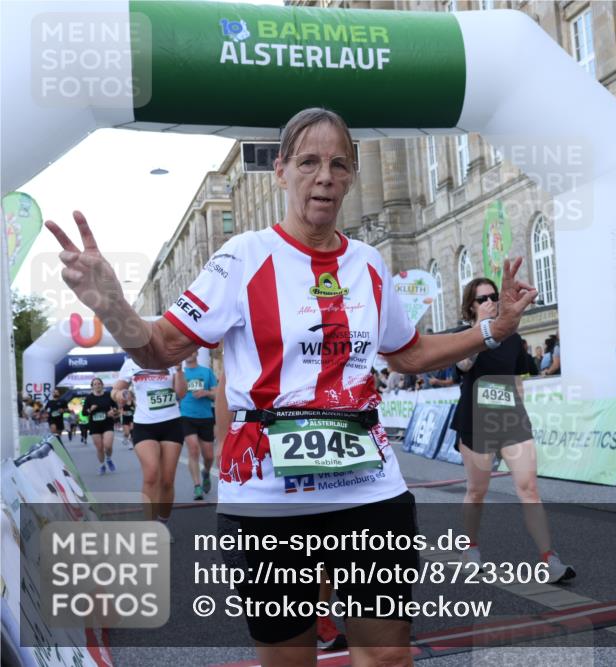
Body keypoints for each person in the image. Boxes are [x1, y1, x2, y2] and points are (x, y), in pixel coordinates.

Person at [46, 106, 539, 667]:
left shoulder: (370, 264)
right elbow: (159, 346)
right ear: (280, 170)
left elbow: (409, 353)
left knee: (386, 658)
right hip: (268, 497)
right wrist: (112, 304)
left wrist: (491, 329)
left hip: (369, 486)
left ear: (351, 175)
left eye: (337, 164)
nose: (323, 176)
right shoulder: (242, 258)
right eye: (308, 162)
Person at [450, 278, 574, 583]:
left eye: (493, 296)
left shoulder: (512, 337)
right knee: (477, 491)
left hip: (510, 419)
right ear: (471, 306)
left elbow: (519, 378)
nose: (490, 302)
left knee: (529, 487)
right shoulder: (464, 335)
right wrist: (480, 329)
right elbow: (464, 366)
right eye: (483, 299)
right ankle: (471, 548)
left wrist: (520, 412)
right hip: (475, 420)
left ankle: (549, 559)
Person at [113, 359, 187, 528]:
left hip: (171, 424)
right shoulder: (131, 362)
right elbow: (116, 390)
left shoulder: (171, 357)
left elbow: (181, 393)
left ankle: (162, 522)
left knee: (167, 481)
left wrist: (179, 370)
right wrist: (120, 395)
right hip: (144, 425)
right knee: (152, 474)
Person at [180, 352, 218, 501]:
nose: (188, 354)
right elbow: (176, 392)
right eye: (186, 351)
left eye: (190, 350)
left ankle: (206, 473)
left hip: (206, 417)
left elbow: (216, 394)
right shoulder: (181, 374)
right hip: (186, 415)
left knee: (208, 456)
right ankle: (197, 487)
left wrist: (206, 393)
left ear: (195, 353)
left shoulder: (207, 372)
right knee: (193, 449)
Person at [83, 378, 118, 474]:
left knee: (108, 446)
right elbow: (84, 412)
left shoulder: (108, 395)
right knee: (99, 448)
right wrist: (90, 409)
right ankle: (102, 465)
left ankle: (109, 459)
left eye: (99, 383)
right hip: (94, 425)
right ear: (92, 387)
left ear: (102, 385)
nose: (97, 385)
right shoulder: (89, 398)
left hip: (107, 423)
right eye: (95, 384)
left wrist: (113, 411)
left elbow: (116, 407)